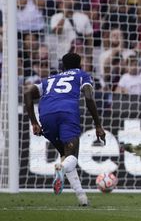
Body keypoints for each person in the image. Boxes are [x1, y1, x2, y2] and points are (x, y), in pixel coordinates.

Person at [24, 53, 106, 205]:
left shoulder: (49, 79)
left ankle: (82, 198)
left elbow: (28, 93)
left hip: (46, 115)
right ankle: (61, 169)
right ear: (80, 65)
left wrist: (34, 122)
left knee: (65, 155)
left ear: (63, 66)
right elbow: (88, 97)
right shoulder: (82, 75)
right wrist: (98, 125)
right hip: (67, 113)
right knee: (72, 157)